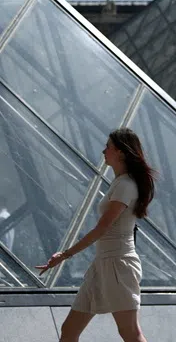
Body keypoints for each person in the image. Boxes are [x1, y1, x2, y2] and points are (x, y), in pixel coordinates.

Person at [38, 128, 157, 342]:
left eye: (108, 147)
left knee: (130, 332)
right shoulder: (121, 183)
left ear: (120, 152)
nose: (104, 151)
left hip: (118, 265)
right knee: (69, 330)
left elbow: (102, 228)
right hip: (103, 263)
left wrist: (64, 255)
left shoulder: (126, 185)